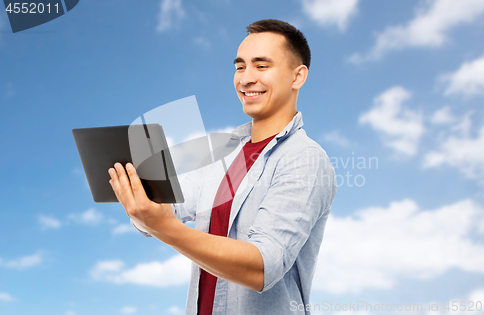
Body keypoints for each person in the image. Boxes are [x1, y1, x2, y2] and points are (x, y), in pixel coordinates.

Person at [108, 19, 337, 315]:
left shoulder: (305, 159)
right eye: (240, 67)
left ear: (298, 76)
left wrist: (166, 227)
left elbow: (262, 268)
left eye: (261, 66)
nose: (245, 78)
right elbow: (166, 207)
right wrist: (140, 196)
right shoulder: (224, 154)